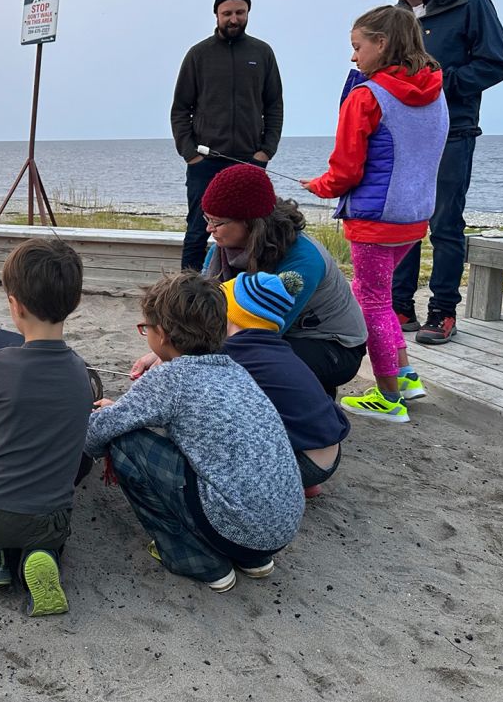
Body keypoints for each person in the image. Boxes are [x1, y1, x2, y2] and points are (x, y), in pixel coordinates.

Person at [85, 271, 304, 593]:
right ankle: (253, 560)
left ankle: (197, 559)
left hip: (235, 528)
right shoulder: (234, 370)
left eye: (145, 328)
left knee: (124, 443)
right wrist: (122, 410)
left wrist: (101, 416)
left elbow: (95, 436)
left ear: (162, 335)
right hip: (279, 529)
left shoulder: (170, 378)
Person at [303, 6, 448, 423]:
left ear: (381, 44)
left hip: (374, 219)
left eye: (357, 47)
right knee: (381, 298)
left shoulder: (366, 96)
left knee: (373, 303)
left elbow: (346, 171)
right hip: (414, 217)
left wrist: (319, 185)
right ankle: (404, 376)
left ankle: (388, 397)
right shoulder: (436, 91)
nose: (353, 57)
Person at [0, 237, 93, 617]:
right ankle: (42, 555)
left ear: (15, 304)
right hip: (54, 520)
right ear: (73, 304)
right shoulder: (81, 374)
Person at [384, 0, 503, 343]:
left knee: (444, 224)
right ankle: (400, 306)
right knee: (403, 219)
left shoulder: (470, 2)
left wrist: (439, 83)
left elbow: (497, 63)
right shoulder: (397, 15)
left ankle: (442, 313)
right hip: (405, 135)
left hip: (453, 131)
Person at [144, 163, 367, 398]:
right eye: (207, 218)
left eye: (218, 222)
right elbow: (200, 312)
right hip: (281, 336)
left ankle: (310, 400)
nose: (209, 228)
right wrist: (164, 350)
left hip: (331, 345)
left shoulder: (303, 260)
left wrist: (179, 360)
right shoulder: (223, 249)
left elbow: (256, 337)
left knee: (247, 365)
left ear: (251, 222)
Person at [171, 0, 284, 271]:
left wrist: (265, 152)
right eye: (227, 13)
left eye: (240, 12)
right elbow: (181, 109)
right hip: (204, 163)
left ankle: (245, 291)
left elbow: (274, 106)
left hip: (249, 162)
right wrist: (190, 155)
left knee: (253, 231)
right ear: (216, 14)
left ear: (248, 12)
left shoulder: (262, 53)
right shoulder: (198, 55)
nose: (234, 19)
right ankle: (186, 296)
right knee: (198, 231)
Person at [219, 270, 351, 498]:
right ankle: (304, 484)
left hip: (302, 462)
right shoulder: (277, 348)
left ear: (233, 313)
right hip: (330, 453)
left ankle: (292, 482)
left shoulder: (235, 351)